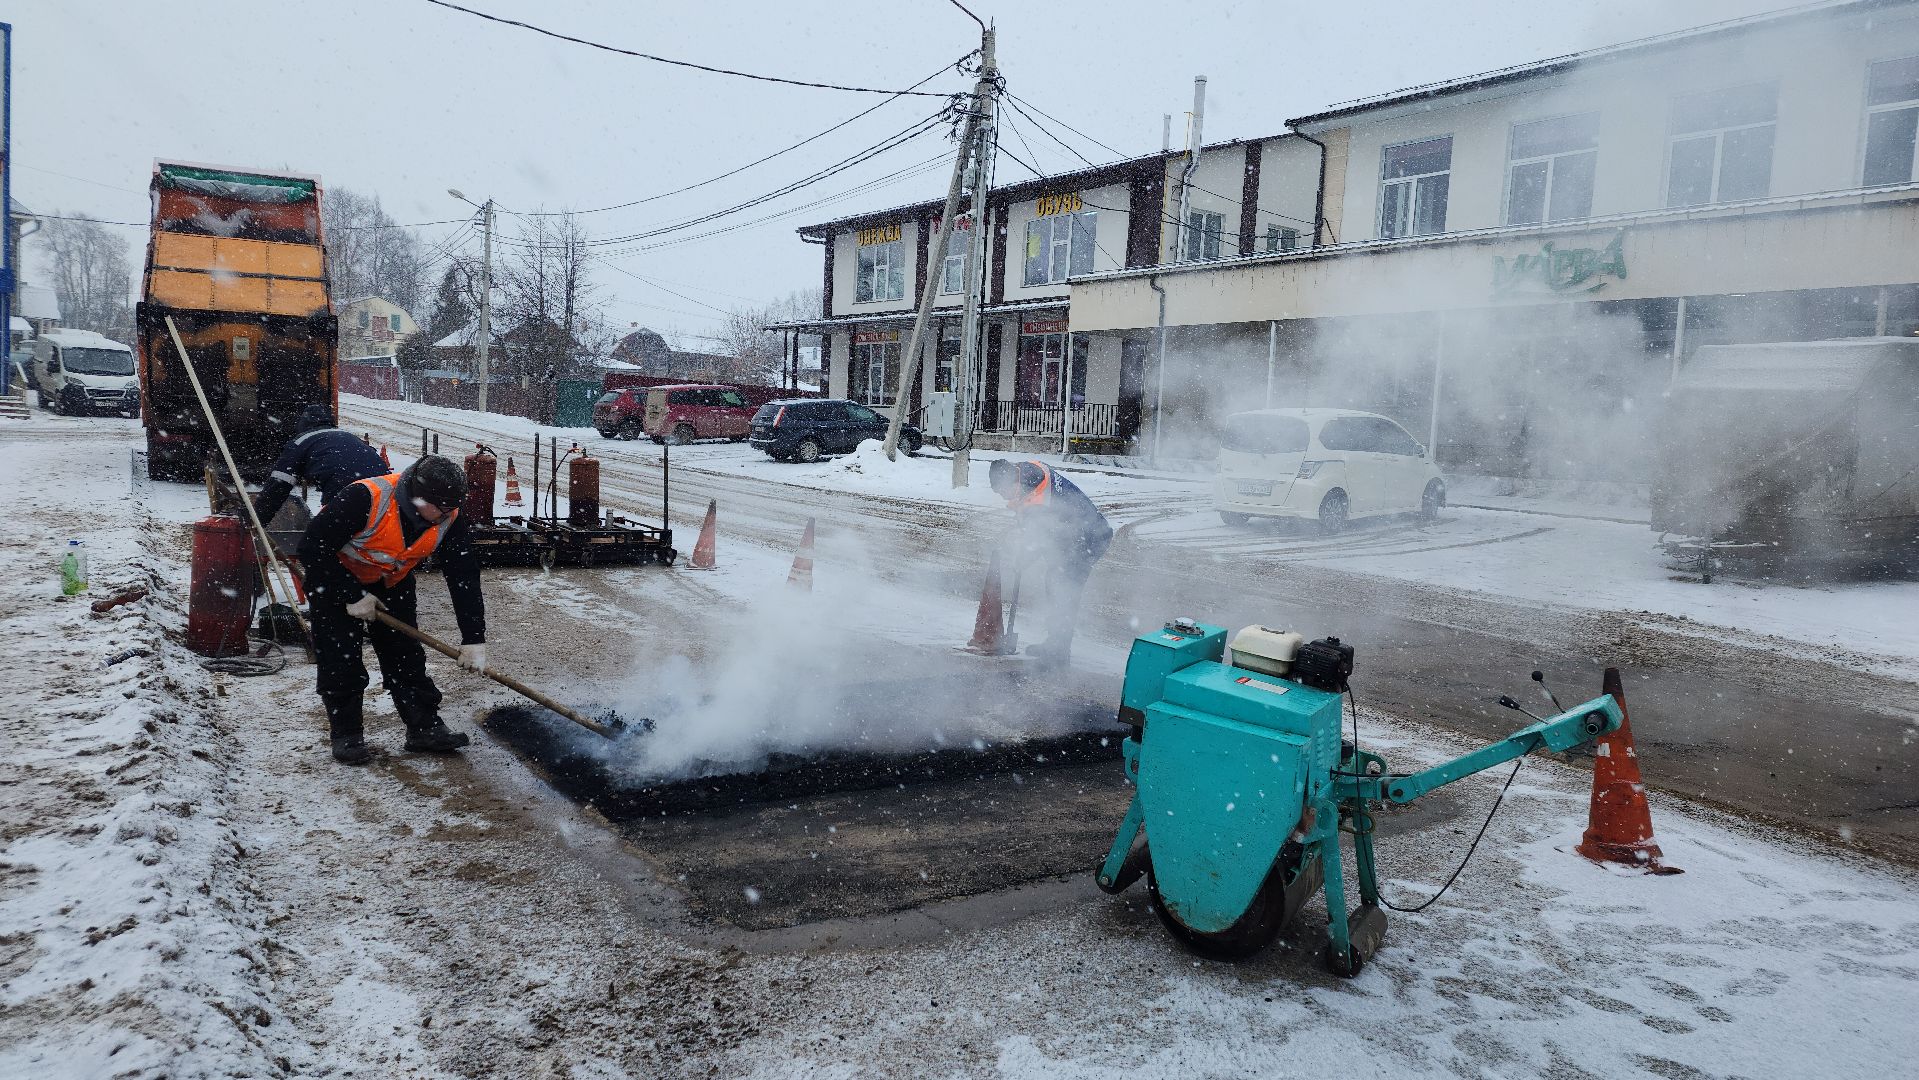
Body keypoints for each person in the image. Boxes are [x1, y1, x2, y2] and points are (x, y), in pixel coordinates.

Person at [297, 455, 486, 764]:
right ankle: (347, 735)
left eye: (451, 508)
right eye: (439, 507)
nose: (444, 516)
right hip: (333, 579)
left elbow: (463, 576)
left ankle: (424, 728)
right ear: (417, 494)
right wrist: (352, 593)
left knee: (406, 657)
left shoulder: (448, 515)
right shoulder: (364, 498)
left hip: (391, 583)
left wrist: (474, 637)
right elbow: (311, 548)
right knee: (341, 659)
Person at [987, 458, 1113, 664]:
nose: (1002, 497)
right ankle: (1055, 643)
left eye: (1002, 491)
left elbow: (1042, 537)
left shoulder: (1038, 498)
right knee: (1055, 582)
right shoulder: (1026, 474)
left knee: (1063, 588)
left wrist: (1024, 558)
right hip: (1073, 534)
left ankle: (1059, 652)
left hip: (1088, 538)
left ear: (1013, 482)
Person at [254, 404, 390, 523]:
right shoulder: (347, 435)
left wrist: (256, 520)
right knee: (376, 537)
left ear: (302, 425)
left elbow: (278, 486)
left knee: (318, 544)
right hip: (386, 490)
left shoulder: (301, 441)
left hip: (346, 491)